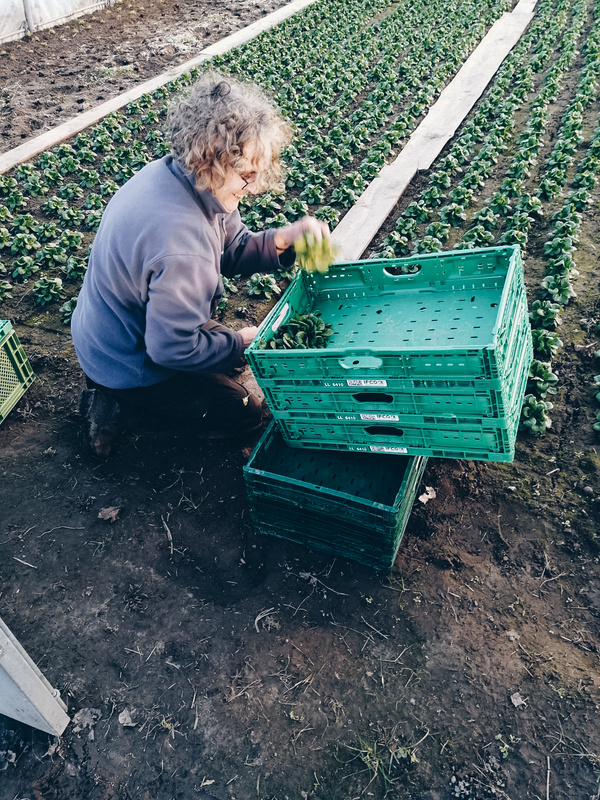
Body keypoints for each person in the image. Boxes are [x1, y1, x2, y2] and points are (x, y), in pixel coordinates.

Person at [71, 73, 329, 457]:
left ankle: (125, 392)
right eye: (247, 176)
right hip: (129, 361)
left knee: (223, 361)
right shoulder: (180, 243)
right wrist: (237, 343)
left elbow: (234, 247)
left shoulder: (186, 178)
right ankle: (119, 406)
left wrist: (283, 239)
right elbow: (171, 349)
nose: (255, 188)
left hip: (119, 330)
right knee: (243, 411)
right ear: (213, 158)